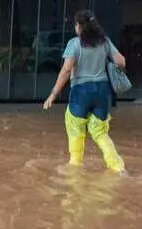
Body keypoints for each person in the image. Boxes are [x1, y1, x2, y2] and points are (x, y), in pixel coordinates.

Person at [42, 10, 126, 173]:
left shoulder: (75, 43)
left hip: (81, 92)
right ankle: (118, 167)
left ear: (79, 26)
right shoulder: (105, 42)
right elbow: (121, 61)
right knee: (100, 132)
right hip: (102, 92)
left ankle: (75, 166)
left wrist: (53, 94)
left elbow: (66, 70)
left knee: (75, 128)